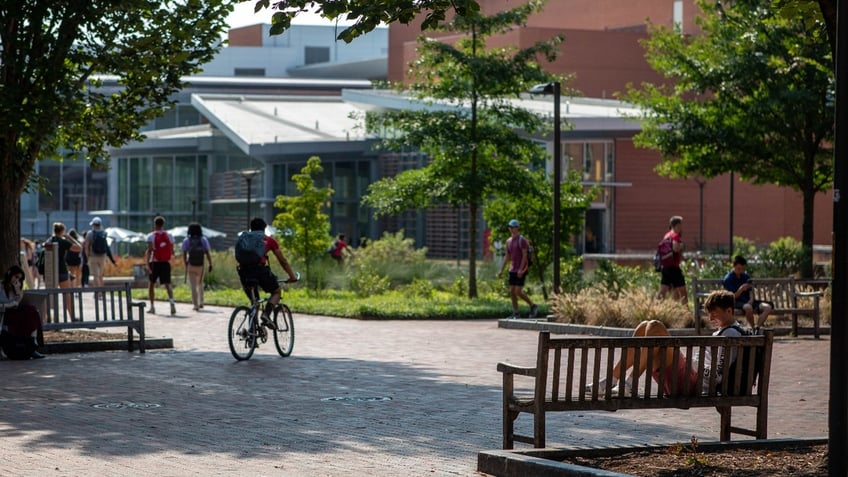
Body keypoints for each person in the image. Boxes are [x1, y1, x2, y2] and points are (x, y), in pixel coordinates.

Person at [586, 290, 741, 397]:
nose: (711, 318)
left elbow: (718, 375)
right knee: (644, 327)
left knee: (655, 326)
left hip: (693, 383)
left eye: (715, 314)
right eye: (709, 315)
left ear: (729, 311)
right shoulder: (723, 332)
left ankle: (627, 383)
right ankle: (613, 380)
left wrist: (694, 364)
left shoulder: (731, 334)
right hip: (687, 379)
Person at [237, 217, 297, 325]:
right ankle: (266, 315)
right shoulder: (268, 240)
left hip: (244, 272)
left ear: (251, 228)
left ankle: (252, 335)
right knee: (276, 292)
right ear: (264, 229)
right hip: (260, 271)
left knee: (255, 302)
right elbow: (283, 261)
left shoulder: (244, 239)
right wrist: (292, 276)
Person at [0, 265, 45, 359]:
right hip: (4, 314)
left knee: (32, 310)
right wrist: (9, 305)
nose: (17, 280)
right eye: (16, 277)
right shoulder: (1, 287)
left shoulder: (16, 288)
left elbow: (17, 303)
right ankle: (32, 345)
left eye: (19, 279)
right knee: (28, 313)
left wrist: (17, 291)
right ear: (9, 274)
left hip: (15, 312)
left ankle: (33, 343)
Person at [497, 219, 539, 319]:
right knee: (512, 291)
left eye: (513, 227)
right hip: (513, 269)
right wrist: (501, 270)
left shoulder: (522, 240)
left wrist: (521, 269)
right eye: (510, 227)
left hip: (522, 269)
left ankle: (533, 306)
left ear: (517, 228)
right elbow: (507, 256)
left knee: (518, 291)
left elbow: (524, 256)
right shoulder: (508, 241)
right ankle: (516, 313)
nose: (511, 229)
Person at [723, 255, 772, 332]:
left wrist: (751, 299)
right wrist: (741, 289)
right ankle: (752, 328)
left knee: (767, 307)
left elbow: (750, 290)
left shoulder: (745, 276)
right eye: (739, 269)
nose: (741, 271)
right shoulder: (728, 279)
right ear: (734, 266)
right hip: (736, 302)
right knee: (748, 307)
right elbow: (732, 297)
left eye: (742, 269)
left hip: (748, 301)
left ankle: (757, 328)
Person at [144, 216, 176, 315]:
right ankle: (172, 303)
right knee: (168, 284)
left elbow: (149, 251)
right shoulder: (169, 235)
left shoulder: (151, 236)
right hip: (165, 262)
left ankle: (152, 307)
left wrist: (147, 265)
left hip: (154, 263)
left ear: (155, 224)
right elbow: (172, 251)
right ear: (163, 224)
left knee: (151, 285)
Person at [50, 222, 81, 319]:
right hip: (62, 271)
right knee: (67, 294)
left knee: (50, 295)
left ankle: (49, 317)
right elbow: (79, 248)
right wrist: (70, 238)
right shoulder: (62, 241)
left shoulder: (50, 240)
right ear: (62, 231)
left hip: (50, 271)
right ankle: (72, 316)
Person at [181, 223, 213, 312]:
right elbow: (207, 253)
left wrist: (185, 264)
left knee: (193, 286)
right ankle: (201, 302)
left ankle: (195, 305)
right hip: (200, 265)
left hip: (191, 265)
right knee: (200, 284)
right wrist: (210, 264)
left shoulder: (187, 240)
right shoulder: (203, 240)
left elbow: (184, 253)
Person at [657, 216, 688, 306]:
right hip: (674, 267)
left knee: (663, 290)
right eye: (681, 225)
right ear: (677, 225)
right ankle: (687, 312)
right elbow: (675, 248)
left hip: (665, 266)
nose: (682, 227)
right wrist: (681, 246)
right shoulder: (675, 236)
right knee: (683, 291)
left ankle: (655, 307)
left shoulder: (667, 235)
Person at [84, 217, 116, 291]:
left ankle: (98, 292)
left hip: (93, 256)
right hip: (102, 256)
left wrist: (87, 257)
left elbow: (86, 246)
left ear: (93, 225)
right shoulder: (104, 233)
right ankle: (102, 290)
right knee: (100, 275)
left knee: (95, 276)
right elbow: (106, 246)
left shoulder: (90, 233)